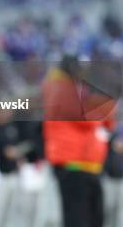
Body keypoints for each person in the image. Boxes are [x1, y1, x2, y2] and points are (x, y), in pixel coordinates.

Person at [42, 56, 117, 227]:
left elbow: (107, 119)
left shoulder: (77, 91)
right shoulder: (59, 89)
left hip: (88, 165)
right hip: (73, 165)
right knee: (78, 219)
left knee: (94, 218)